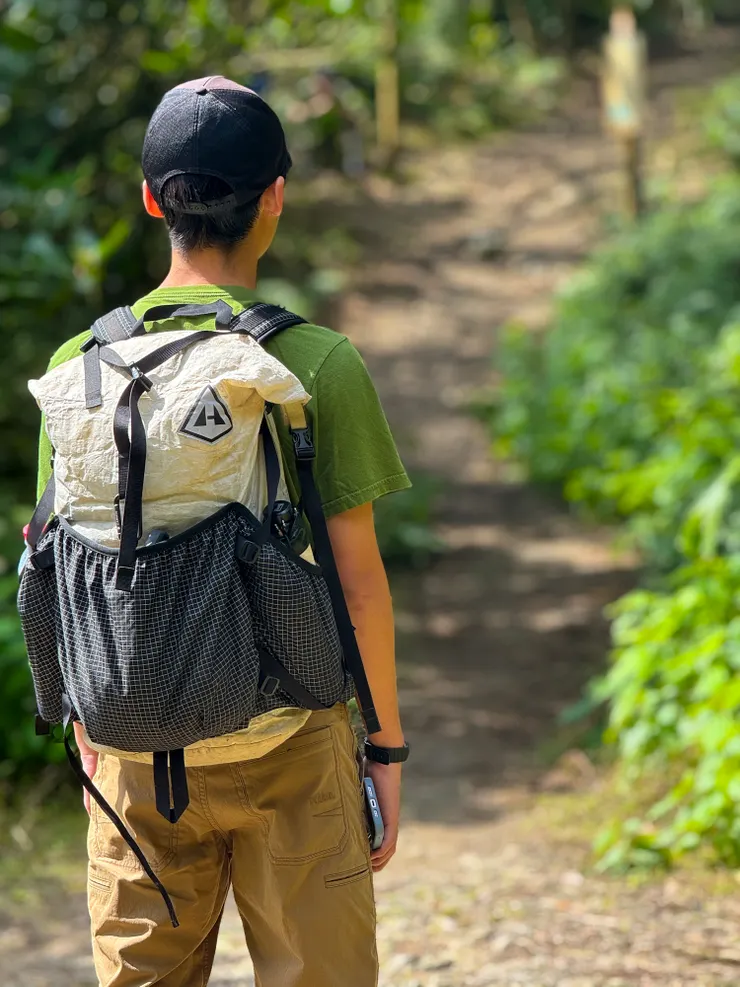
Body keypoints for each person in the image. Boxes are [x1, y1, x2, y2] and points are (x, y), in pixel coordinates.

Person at [35, 76, 410, 987]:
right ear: (275, 196)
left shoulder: (78, 366)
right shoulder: (313, 360)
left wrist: (85, 701)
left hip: (129, 746)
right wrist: (385, 750)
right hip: (290, 740)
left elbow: (51, 553)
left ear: (151, 198)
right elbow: (357, 581)